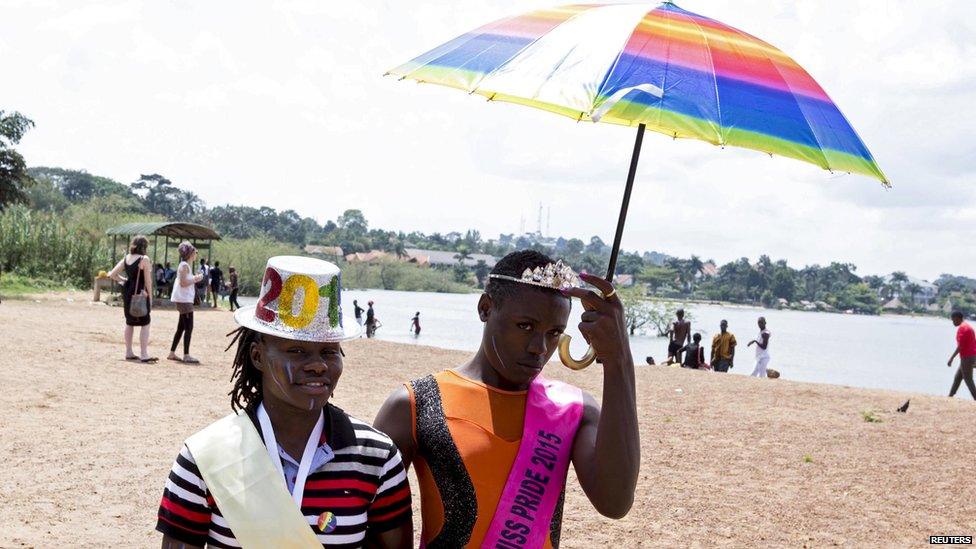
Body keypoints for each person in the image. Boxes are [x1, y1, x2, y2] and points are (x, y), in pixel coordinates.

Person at [374, 250, 640, 547]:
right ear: (485, 308)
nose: (539, 347)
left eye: (554, 332)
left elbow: (615, 503)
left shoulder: (574, 410)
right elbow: (377, 527)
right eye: (525, 326)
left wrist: (618, 359)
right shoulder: (415, 404)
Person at [156, 256, 412, 548]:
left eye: (329, 351)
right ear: (257, 356)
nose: (318, 365)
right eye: (297, 350)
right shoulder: (203, 458)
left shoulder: (376, 458)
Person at [107, 234, 157, 363]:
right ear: (144, 247)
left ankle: (128, 352)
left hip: (128, 292)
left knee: (129, 322)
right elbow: (148, 281)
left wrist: (125, 281)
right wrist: (150, 298)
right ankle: (144, 354)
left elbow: (112, 274)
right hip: (141, 293)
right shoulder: (144, 259)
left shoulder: (126, 258)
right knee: (145, 322)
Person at [169, 242, 204, 364]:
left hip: (184, 300)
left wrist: (194, 278)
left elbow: (184, 281)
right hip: (184, 301)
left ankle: (172, 353)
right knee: (189, 327)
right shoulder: (184, 266)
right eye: (195, 252)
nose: (196, 254)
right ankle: (186, 355)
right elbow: (184, 283)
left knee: (181, 327)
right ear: (190, 254)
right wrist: (196, 278)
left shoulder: (185, 266)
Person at [947, 310, 976, 399]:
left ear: (957, 318)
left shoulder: (962, 328)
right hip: (972, 356)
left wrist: (951, 358)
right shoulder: (969, 327)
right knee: (958, 377)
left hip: (966, 357)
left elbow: (960, 346)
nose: (953, 322)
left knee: (968, 379)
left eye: (953, 320)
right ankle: (950, 396)